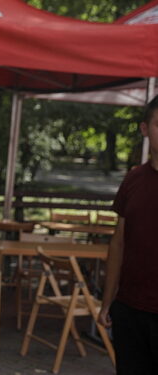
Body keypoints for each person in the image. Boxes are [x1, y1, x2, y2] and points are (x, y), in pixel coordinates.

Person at [97, 95, 158, 374]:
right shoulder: (133, 179)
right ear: (145, 129)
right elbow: (118, 242)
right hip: (130, 309)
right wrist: (108, 301)